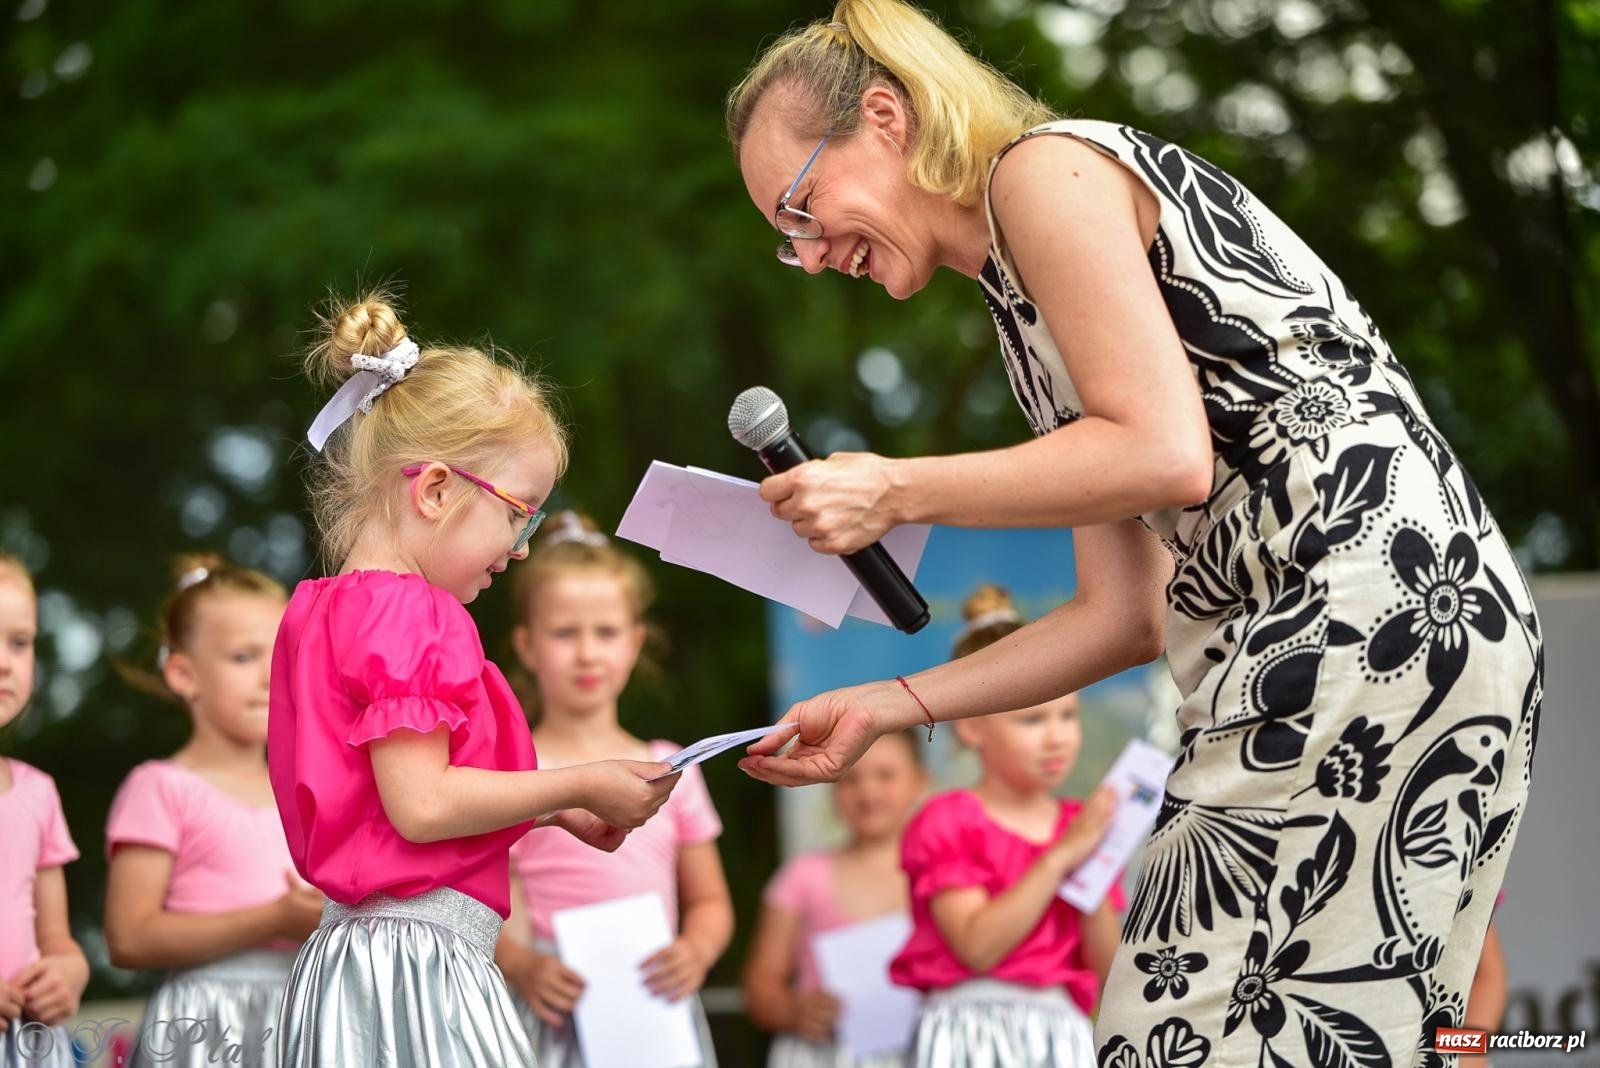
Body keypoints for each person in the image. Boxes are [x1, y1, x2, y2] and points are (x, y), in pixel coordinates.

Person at [726, 2, 1543, 1062]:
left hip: (1355, 613)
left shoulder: (1041, 173)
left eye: (799, 209)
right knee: (1340, 1036)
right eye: (786, 241)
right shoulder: (1024, 310)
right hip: (1414, 622)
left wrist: (893, 487)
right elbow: (1123, 616)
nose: (808, 251)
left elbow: (1164, 454)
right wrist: (888, 703)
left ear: (885, 117)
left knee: (1176, 1031)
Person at [269, 292, 682, 1067]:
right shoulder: (412, 616)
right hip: (418, 973)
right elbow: (423, 807)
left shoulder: (330, 609)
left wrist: (551, 816)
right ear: (432, 490)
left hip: (361, 964)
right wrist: (576, 784)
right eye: (518, 515)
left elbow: (386, 820)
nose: (522, 546)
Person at [495, 512, 733, 1066]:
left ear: (635, 642)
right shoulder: (511, 769)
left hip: (653, 1005)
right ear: (527, 646)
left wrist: (695, 952)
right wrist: (522, 963)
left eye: (605, 632)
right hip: (550, 1001)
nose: (586, 653)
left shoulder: (674, 767)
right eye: (564, 633)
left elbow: (711, 900)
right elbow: (499, 889)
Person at [104, 553, 320, 1068]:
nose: (271, 677)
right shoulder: (161, 787)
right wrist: (273, 918)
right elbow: (129, 937)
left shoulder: (308, 790)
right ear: (184, 674)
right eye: (244, 657)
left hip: (301, 1018)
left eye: (281, 657)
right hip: (204, 1025)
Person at [888, 586, 1118, 1066]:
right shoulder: (948, 819)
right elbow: (976, 946)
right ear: (971, 726)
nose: (1057, 737)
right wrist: (1060, 857)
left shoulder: (1080, 825)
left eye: (1068, 715)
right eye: (1033, 719)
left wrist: (1092, 863)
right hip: (967, 1033)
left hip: (1061, 1035)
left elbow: (1110, 970)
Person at [744, 730, 927, 1067]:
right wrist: (793, 1011)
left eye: (885, 775)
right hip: (821, 1056)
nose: (867, 790)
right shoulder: (802, 875)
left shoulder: (943, 876)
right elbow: (760, 985)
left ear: (920, 780)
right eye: (851, 778)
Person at [0, 552, 88, 1068]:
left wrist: (66, 976)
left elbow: (59, 943)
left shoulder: (37, 792)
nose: (6, 662)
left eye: (19, 642)